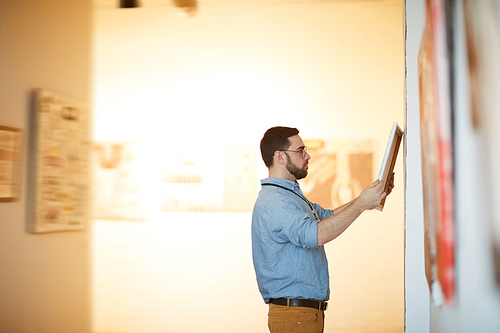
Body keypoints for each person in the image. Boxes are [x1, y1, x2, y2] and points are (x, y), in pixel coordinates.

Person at [251, 126, 394, 333]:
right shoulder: (276, 201)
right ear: (280, 157)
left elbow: (326, 217)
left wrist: (369, 199)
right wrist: (361, 204)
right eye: (300, 151)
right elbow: (317, 234)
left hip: (301, 315)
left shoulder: (288, 195)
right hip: (296, 316)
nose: (307, 155)